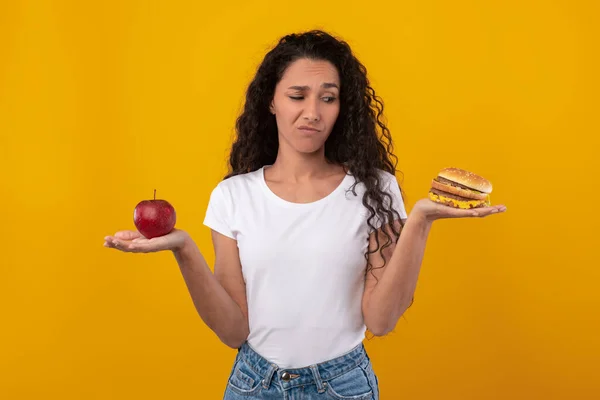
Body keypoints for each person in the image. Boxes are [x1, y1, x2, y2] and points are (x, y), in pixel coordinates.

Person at [103, 30, 506, 400]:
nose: (313, 112)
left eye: (327, 98)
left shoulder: (374, 190)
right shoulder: (233, 196)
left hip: (343, 385)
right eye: (298, 96)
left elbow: (381, 321)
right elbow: (233, 331)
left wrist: (419, 222)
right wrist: (183, 248)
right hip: (253, 385)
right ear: (272, 102)